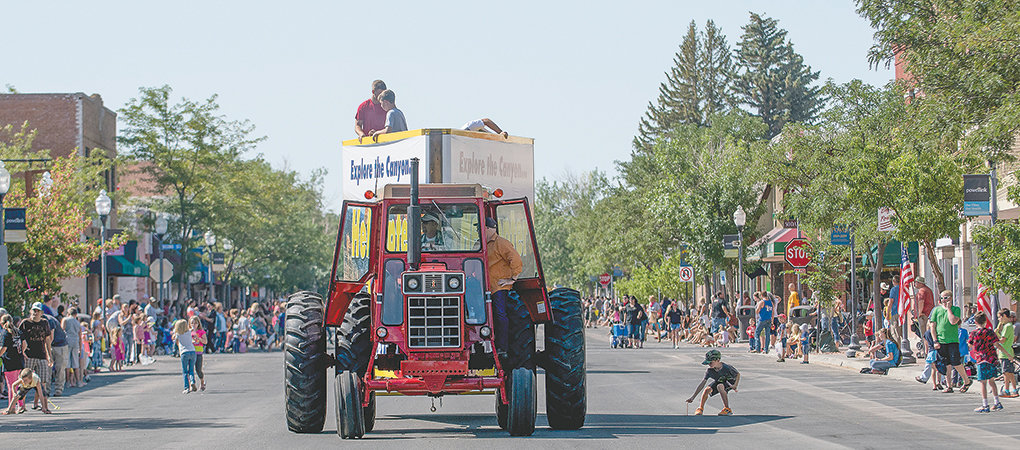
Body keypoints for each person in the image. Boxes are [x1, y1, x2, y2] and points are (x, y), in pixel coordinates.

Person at [484, 217, 523, 361]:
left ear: (488, 229)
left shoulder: (501, 243)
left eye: (481, 228)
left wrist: (512, 279)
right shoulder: (481, 244)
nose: (479, 231)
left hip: (498, 287)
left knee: (499, 314)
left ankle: (502, 347)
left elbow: (516, 259)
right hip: (485, 288)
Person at [929, 290, 973, 393]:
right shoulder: (936, 310)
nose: (943, 300)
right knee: (946, 364)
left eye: (946, 297)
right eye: (942, 298)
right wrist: (935, 340)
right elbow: (932, 326)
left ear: (951, 298)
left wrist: (948, 309)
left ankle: (966, 380)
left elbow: (953, 321)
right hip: (941, 340)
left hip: (952, 340)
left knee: (956, 362)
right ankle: (949, 386)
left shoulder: (956, 309)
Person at [685, 349, 740, 416]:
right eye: (708, 363)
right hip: (720, 381)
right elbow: (702, 383)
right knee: (707, 390)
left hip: (730, 382)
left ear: (718, 360)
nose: (709, 364)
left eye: (711, 362)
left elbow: (738, 374)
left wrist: (735, 385)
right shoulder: (710, 370)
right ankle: (701, 408)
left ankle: (727, 409)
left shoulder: (726, 367)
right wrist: (693, 397)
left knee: (720, 386)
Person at [968, 312, 1004, 412]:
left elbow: (970, 344)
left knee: (983, 383)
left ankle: (985, 404)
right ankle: (997, 402)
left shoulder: (974, 333)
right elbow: (996, 344)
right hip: (991, 359)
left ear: (975, 322)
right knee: (992, 381)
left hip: (981, 359)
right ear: (985, 321)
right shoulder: (990, 332)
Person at [18, 303, 53, 399]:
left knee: (42, 382)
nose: (35, 313)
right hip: (28, 355)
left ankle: (37, 403)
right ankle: (21, 404)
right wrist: (22, 351)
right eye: (34, 310)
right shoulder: (25, 323)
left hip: (42, 355)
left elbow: (47, 340)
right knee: (24, 381)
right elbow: (18, 338)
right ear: (30, 311)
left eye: (38, 311)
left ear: (41, 313)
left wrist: (49, 355)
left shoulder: (44, 323)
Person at [1, 314, 25, 412]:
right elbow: (24, 344)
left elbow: (4, 348)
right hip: (19, 360)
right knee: (18, 385)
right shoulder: (18, 331)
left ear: (1, 323)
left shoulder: (5, 333)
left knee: (11, 385)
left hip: (9, 361)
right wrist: (21, 352)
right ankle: (21, 405)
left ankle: (11, 407)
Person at [995, 309, 1017, 398]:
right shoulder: (1008, 326)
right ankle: (1014, 389)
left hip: (1005, 353)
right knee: (1010, 373)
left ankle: (1007, 390)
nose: (999, 319)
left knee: (1006, 373)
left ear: (1004, 316)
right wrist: (997, 333)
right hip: (1007, 352)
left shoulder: (1007, 326)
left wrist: (996, 339)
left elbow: (1003, 340)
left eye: (999, 317)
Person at [173, 319, 197, 394]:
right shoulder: (189, 332)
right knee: (191, 370)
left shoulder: (178, 334)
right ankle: (192, 381)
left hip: (184, 352)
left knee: (185, 371)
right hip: (192, 351)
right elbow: (192, 329)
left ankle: (187, 387)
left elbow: (174, 339)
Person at [61, 307, 83, 389]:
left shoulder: (65, 320)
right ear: (76, 314)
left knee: (67, 362)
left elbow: (62, 330)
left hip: (67, 341)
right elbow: (80, 336)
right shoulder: (78, 322)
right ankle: (78, 381)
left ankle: (67, 382)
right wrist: (80, 348)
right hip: (75, 341)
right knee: (75, 362)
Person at [190, 316, 208, 391]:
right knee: (190, 369)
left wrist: (199, 339)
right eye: (192, 323)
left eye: (195, 323)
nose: (193, 325)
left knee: (198, 370)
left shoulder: (201, 332)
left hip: (198, 352)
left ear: (198, 324)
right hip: (190, 352)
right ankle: (192, 383)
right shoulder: (189, 332)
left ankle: (202, 381)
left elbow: (205, 342)